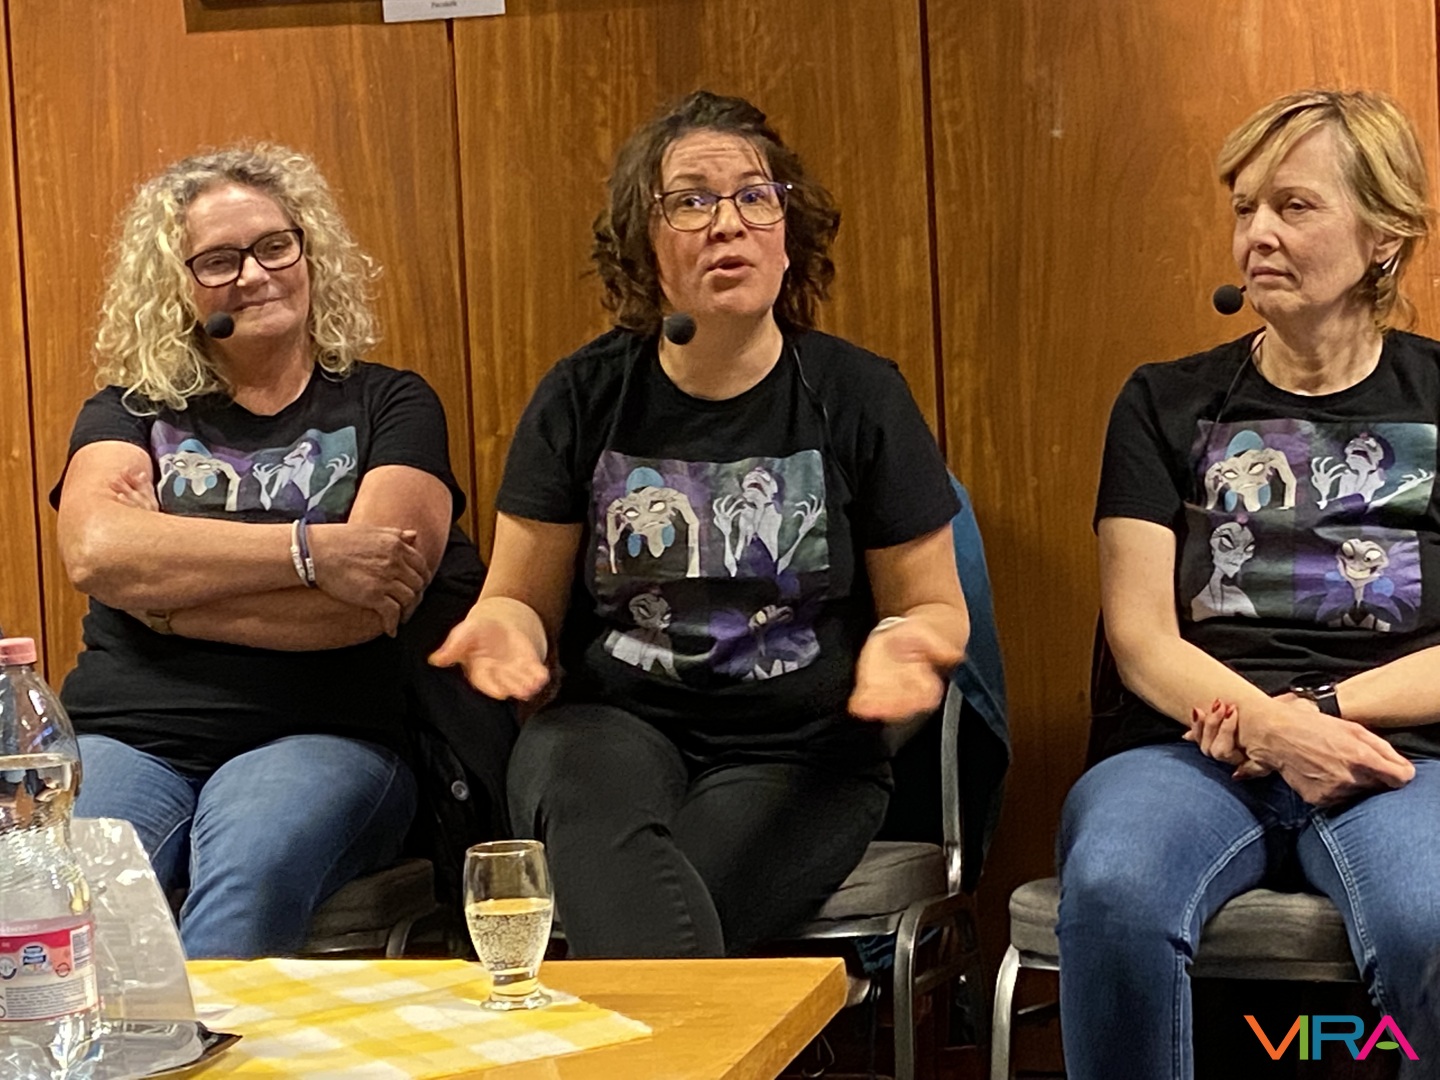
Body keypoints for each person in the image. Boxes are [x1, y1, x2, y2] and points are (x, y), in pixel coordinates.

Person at [431, 90, 970, 958]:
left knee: (645, 912)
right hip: (612, 726)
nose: (728, 223)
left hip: (801, 751)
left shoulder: (858, 394)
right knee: (581, 794)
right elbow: (518, 599)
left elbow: (934, 606)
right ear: (644, 247)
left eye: (755, 197)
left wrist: (906, 639)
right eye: (690, 201)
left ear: (788, 236)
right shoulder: (583, 396)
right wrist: (505, 626)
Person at [1060, 89, 1440, 1078]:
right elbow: (1141, 637)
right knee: (1114, 891)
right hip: (1190, 748)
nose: (1256, 234)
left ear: (1385, 236)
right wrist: (1269, 727)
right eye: (1244, 208)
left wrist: (1321, 713)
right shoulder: (1163, 400)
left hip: (1402, 755)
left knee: (1433, 918)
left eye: (1294, 206)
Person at [52, 144, 465, 959]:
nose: (254, 274)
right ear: (176, 285)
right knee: (75, 888)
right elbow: (97, 552)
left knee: (250, 870)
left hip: (321, 735)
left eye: (275, 246)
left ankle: (217, 1038)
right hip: (128, 734)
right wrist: (313, 552)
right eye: (218, 260)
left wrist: (166, 600)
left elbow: (372, 600)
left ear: (309, 254)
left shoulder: (391, 402)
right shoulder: (130, 410)